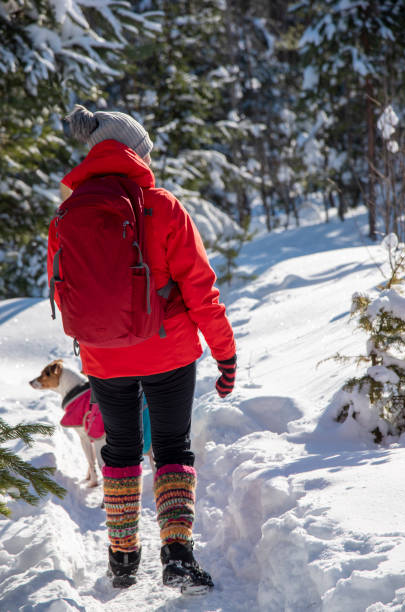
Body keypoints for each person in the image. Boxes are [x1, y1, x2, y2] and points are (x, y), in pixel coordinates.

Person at [48, 105, 237, 591]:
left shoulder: (66, 215)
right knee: (172, 447)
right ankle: (177, 557)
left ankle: (122, 559)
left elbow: (60, 289)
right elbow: (200, 290)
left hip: (103, 357)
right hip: (168, 352)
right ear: (134, 153)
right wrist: (225, 355)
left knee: (121, 448)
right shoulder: (164, 206)